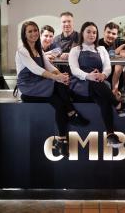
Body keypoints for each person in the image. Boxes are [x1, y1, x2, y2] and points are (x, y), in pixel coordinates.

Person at [15, 21, 89, 157]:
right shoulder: (22, 50)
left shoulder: (38, 49)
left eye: (35, 30)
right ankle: (72, 113)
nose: (33, 33)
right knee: (59, 84)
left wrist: (60, 75)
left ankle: (61, 141)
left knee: (60, 104)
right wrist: (57, 78)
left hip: (41, 84)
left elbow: (49, 66)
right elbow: (36, 69)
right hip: (28, 87)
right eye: (29, 31)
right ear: (24, 35)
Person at [69, 21, 125, 148]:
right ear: (82, 33)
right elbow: (74, 70)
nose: (92, 34)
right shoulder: (75, 50)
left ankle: (111, 135)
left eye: (94, 32)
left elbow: (107, 67)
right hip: (80, 84)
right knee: (99, 86)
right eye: (88, 32)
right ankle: (119, 106)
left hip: (98, 83)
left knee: (104, 99)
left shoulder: (101, 49)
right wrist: (89, 76)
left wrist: (103, 75)